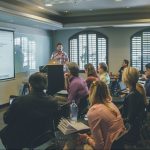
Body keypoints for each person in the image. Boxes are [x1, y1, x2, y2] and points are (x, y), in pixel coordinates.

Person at [0, 72, 58, 149]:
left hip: (23, 138)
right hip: (44, 135)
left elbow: (6, 119)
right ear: (45, 85)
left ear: (30, 85)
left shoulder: (20, 100)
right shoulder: (53, 101)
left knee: (5, 132)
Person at [79, 80, 125, 150]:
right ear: (106, 91)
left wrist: (87, 139)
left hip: (108, 146)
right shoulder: (111, 105)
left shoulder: (93, 112)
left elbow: (99, 147)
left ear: (91, 93)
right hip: (118, 144)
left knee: (77, 143)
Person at [122, 67, 146, 144]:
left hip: (131, 132)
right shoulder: (136, 92)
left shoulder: (132, 96)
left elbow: (129, 119)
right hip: (135, 129)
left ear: (126, 78)